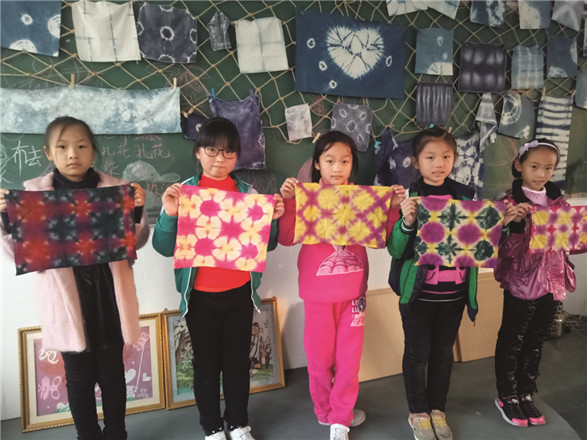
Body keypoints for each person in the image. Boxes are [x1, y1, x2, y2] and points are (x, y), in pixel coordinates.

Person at [0, 116, 149, 440]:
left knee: (112, 376)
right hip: (67, 304)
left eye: (81, 146)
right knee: (78, 379)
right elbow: (20, 254)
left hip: (109, 298)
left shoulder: (113, 190)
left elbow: (135, 242)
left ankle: (116, 434)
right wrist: (7, 218)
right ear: (49, 153)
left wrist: (137, 210)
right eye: (63, 147)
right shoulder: (33, 197)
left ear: (92, 150)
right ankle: (87, 435)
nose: (72, 154)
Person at [152, 117, 284, 440]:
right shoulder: (185, 193)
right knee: (206, 367)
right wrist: (170, 213)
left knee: (238, 364)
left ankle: (238, 423)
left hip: (239, 294)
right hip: (199, 297)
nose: (219, 159)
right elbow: (163, 247)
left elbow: (266, 245)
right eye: (211, 150)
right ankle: (211, 427)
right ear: (198, 152)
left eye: (228, 152)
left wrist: (273, 221)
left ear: (236, 157)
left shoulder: (247, 193)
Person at [386, 126, 518, 440]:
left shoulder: (465, 197)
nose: (439, 163)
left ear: (455, 159)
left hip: (454, 295)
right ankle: (418, 412)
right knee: (417, 356)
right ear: (416, 161)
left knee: (443, 356)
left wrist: (502, 225)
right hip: (418, 296)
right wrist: (407, 223)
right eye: (430, 157)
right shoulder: (408, 198)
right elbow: (396, 250)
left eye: (446, 156)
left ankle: (437, 409)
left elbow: (482, 245)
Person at [278, 131, 406, 440]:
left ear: (352, 164)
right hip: (318, 295)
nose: (337, 167)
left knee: (348, 361)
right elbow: (286, 237)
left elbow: (381, 239)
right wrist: (289, 202)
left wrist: (392, 207)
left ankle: (340, 418)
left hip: (353, 295)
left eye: (345, 161)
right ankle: (325, 411)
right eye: (330, 160)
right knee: (319, 360)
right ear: (317, 164)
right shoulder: (306, 196)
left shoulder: (363, 198)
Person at [493, 139, 576, 428]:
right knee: (512, 339)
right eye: (535, 167)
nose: (541, 174)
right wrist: (513, 225)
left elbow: (570, 243)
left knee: (536, 340)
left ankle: (526, 393)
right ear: (520, 166)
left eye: (548, 168)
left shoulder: (559, 203)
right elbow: (502, 252)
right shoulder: (508, 203)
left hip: (553, 282)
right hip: (522, 282)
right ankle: (507, 395)